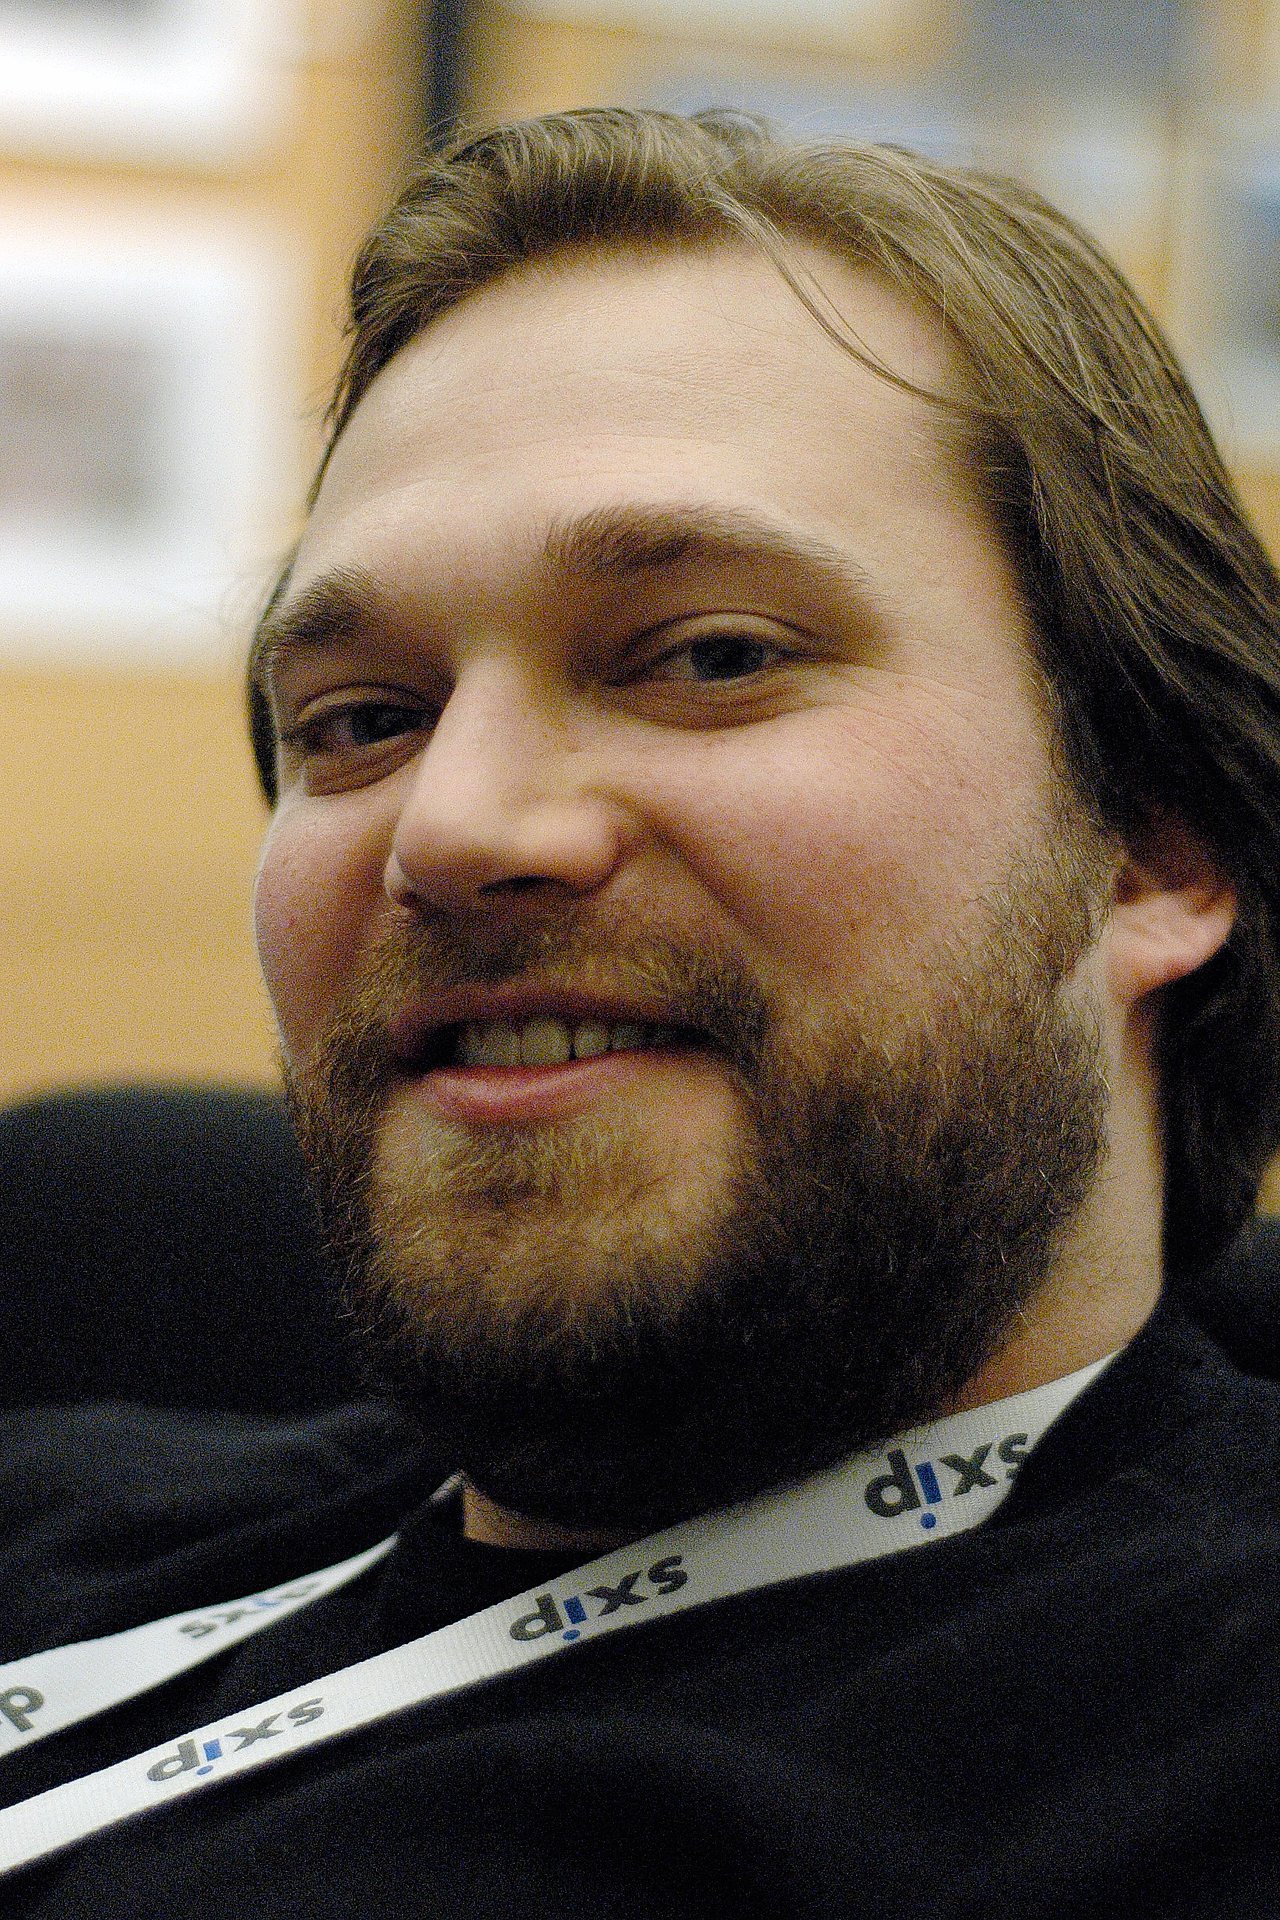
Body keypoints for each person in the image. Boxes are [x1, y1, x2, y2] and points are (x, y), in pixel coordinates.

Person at [3, 106, 1280, 1916]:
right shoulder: (79, 1497)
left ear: (1152, 852)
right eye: (362, 715)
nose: (452, 829)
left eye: (708, 656)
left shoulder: (1182, 1774)